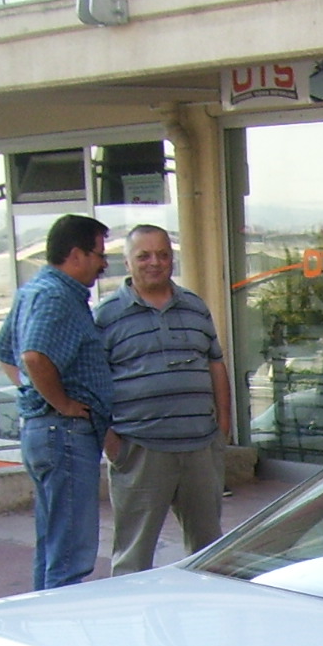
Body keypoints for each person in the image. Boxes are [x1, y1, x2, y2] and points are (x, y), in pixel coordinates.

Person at [95, 225, 233, 574]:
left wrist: (223, 427)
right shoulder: (106, 316)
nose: (155, 262)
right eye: (144, 256)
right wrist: (112, 444)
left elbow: (215, 363)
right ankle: (131, 610)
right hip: (140, 451)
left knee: (209, 553)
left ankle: (205, 607)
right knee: (133, 556)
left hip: (200, 447)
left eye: (163, 255)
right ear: (127, 262)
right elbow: (92, 383)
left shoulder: (195, 307)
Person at [0, 214, 113, 590]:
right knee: (70, 552)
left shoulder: (34, 290)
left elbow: (4, 351)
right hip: (64, 432)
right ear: (76, 254)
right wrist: (60, 403)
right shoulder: (56, 296)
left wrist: (34, 393)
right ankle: (62, 620)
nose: (104, 263)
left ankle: (44, 612)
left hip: (46, 431)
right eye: (99, 254)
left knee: (53, 545)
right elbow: (33, 357)